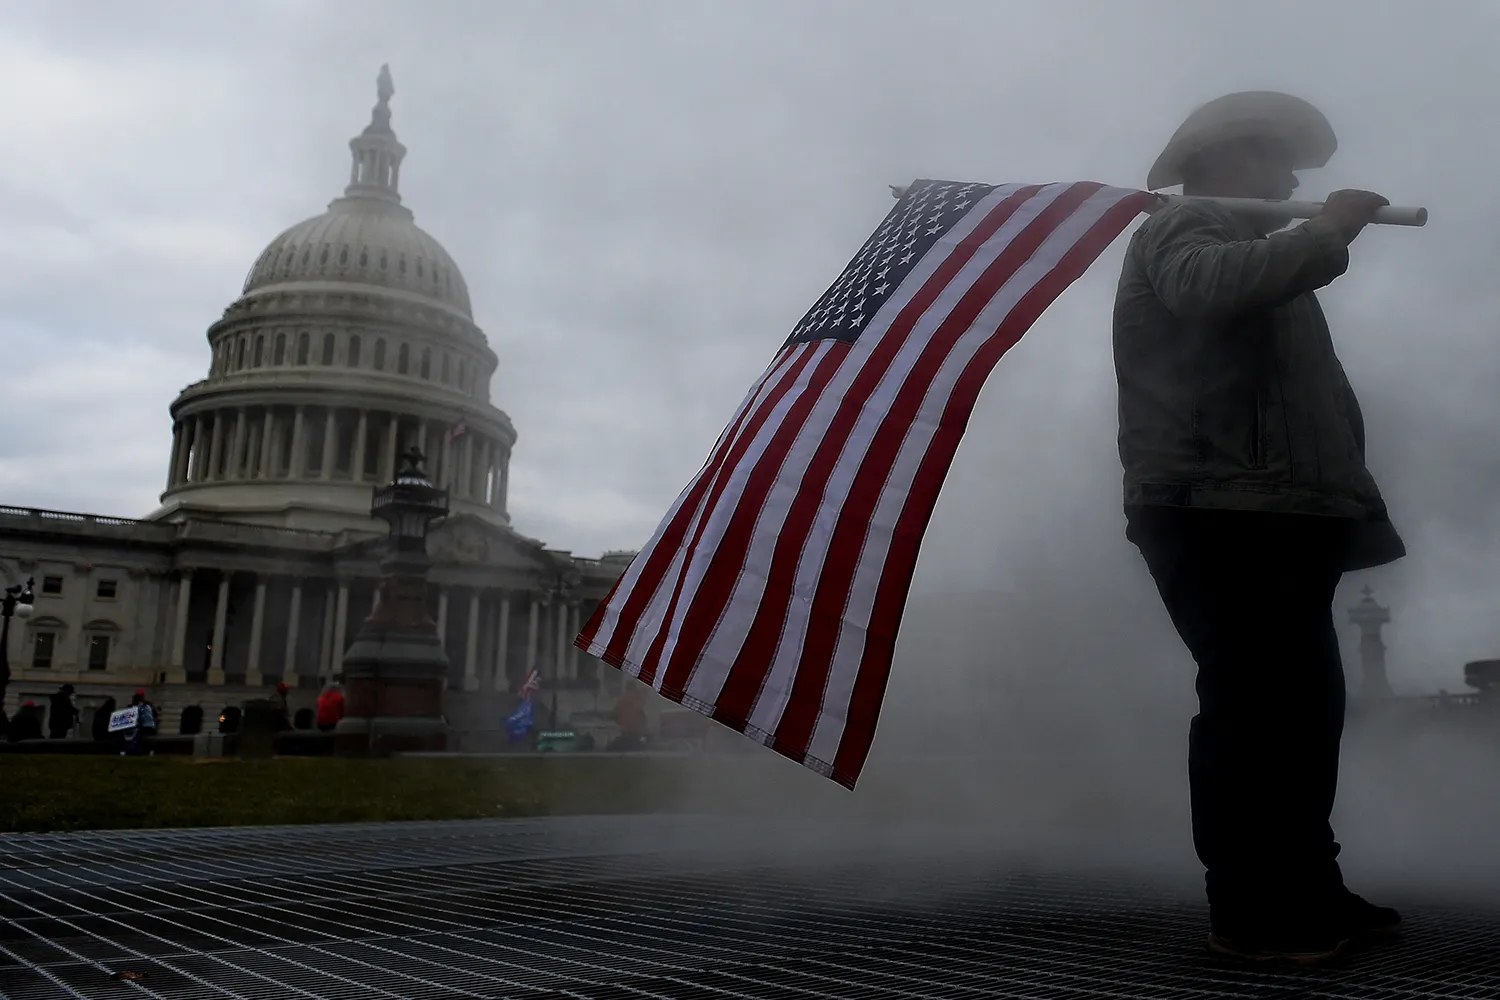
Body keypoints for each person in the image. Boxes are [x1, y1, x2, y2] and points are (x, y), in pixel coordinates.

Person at [1116, 91, 1405, 965]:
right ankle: (1251, 909)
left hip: (1279, 512)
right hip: (1217, 510)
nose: (1289, 180)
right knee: (1252, 710)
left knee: (1304, 711)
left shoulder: (1254, 243)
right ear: (1225, 157)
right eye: (1276, 159)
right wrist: (1328, 233)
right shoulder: (1189, 226)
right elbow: (1206, 292)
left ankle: (1307, 886)